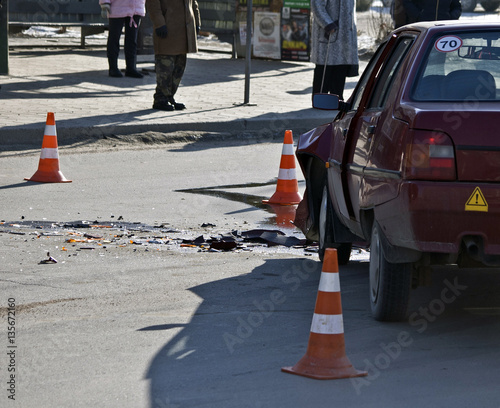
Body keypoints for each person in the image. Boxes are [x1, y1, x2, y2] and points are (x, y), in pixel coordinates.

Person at [146, 0, 200, 111]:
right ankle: (160, 99)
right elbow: (153, 4)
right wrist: (159, 23)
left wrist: (197, 23)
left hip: (183, 31)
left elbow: (193, 3)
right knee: (165, 70)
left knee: (178, 69)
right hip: (167, 30)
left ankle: (169, 96)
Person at [310, 0, 359, 101]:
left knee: (341, 68)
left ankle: (337, 98)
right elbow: (317, 6)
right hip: (329, 35)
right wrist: (328, 24)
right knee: (324, 68)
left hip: (344, 36)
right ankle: (319, 100)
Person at [99, 0, 146, 78]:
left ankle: (131, 68)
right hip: (118, 6)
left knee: (132, 40)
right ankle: (113, 68)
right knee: (114, 38)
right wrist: (105, 2)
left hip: (136, 7)